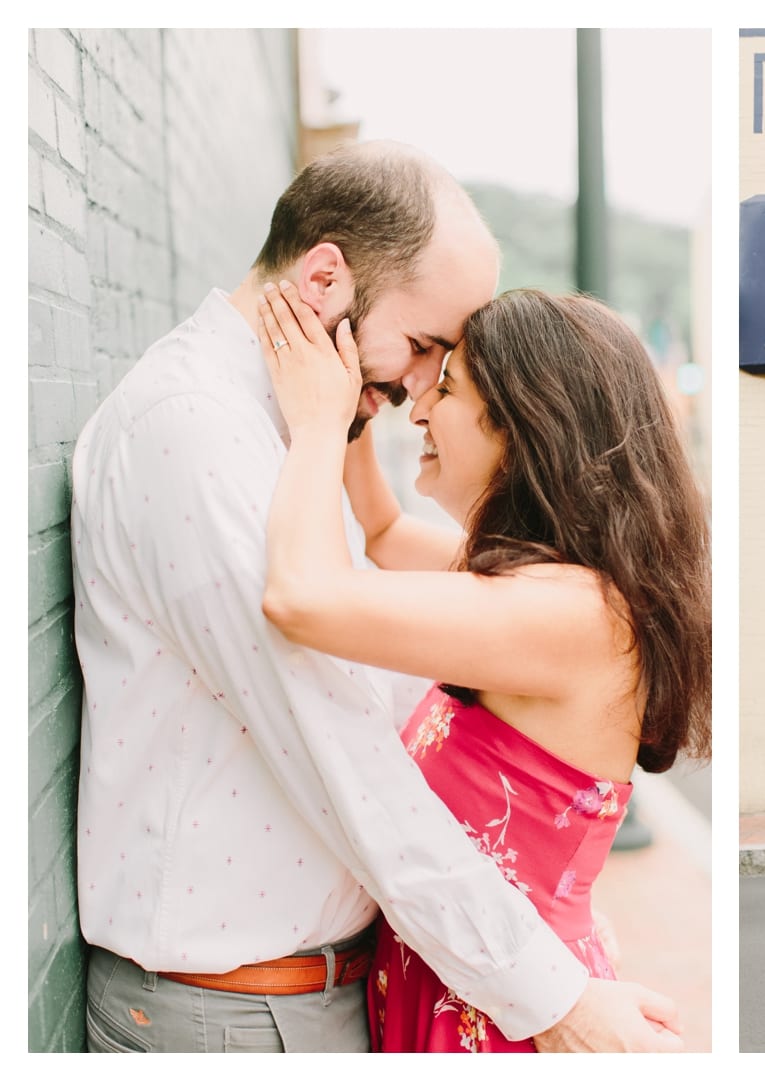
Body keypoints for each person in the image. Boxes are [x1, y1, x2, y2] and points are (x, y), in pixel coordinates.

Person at [72, 141, 684, 1052]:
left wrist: (332, 417)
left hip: (324, 998)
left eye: (447, 375)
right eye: (426, 346)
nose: (414, 393)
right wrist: (555, 995)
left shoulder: (284, 432)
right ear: (325, 277)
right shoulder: (195, 434)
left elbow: (354, 623)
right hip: (237, 1015)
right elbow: (342, 758)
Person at [256, 282, 710, 1051]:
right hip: (475, 990)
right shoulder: (545, 583)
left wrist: (314, 420)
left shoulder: (570, 611)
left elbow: (303, 596)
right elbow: (386, 531)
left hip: (505, 1017)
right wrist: (364, 389)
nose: (421, 408)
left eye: (447, 389)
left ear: (526, 424)